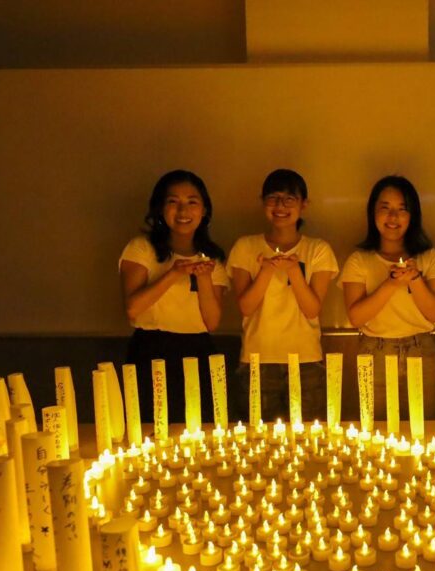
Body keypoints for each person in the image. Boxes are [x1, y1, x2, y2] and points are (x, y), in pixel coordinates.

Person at [119, 169, 229, 426]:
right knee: (151, 427)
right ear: (160, 208)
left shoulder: (212, 258)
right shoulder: (142, 248)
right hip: (151, 349)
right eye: (173, 201)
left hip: (198, 351)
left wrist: (204, 278)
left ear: (204, 210)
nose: (183, 211)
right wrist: (174, 273)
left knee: (200, 429)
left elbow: (212, 322)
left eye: (192, 202)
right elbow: (133, 309)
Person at [228, 169, 338, 423]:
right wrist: (267, 270)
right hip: (257, 360)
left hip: (306, 360)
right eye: (273, 198)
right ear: (263, 202)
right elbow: (246, 306)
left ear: (303, 205)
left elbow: (312, 309)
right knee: (258, 439)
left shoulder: (318, 249)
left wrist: (293, 271)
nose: (280, 206)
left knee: (307, 438)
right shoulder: (245, 247)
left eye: (289, 199)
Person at [339, 176, 435, 423]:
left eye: (402, 209)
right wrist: (391, 283)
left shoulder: (429, 257)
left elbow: (434, 313)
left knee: (423, 427)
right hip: (374, 350)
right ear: (373, 212)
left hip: (420, 348)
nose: (393, 217)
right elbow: (356, 317)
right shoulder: (359, 260)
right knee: (376, 428)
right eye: (385, 208)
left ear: (413, 215)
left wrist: (414, 278)